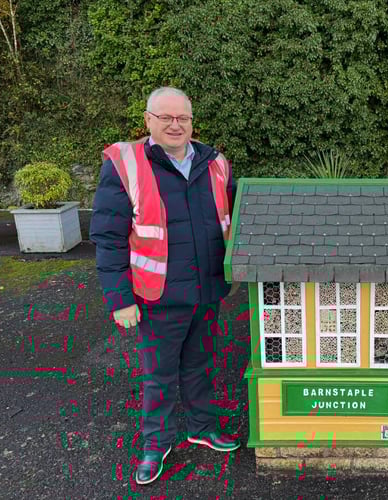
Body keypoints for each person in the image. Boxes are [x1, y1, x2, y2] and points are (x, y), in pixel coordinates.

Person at [90, 87, 240, 485]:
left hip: (206, 290)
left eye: (183, 118)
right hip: (156, 296)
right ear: (148, 121)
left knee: (200, 366)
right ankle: (156, 444)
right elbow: (107, 236)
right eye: (166, 117)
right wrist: (120, 299)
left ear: (192, 121)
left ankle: (202, 428)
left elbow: (235, 215)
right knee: (158, 375)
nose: (176, 125)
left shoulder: (215, 162)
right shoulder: (126, 163)